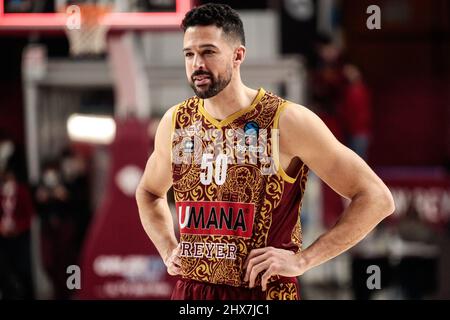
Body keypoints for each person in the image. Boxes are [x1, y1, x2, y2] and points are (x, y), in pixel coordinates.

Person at [136, 3, 395, 300]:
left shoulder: (287, 121)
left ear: (238, 55)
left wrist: (303, 260)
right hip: (194, 295)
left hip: (262, 294)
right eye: (189, 54)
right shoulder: (176, 122)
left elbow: (377, 198)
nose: (197, 64)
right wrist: (168, 248)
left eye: (208, 52)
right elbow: (148, 193)